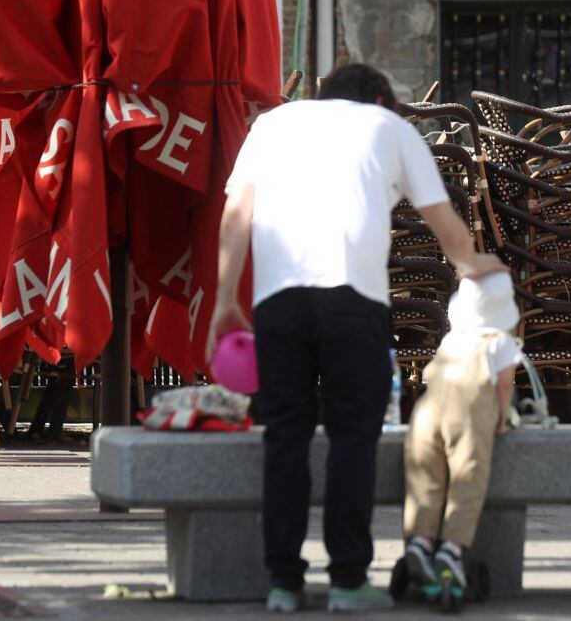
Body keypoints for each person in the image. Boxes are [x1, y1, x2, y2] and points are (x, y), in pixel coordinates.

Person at [207, 63, 506, 614]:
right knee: (352, 437)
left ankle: (283, 584)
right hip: (354, 302)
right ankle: (347, 580)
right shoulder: (389, 126)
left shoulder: (272, 125)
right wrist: (477, 264)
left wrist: (226, 301)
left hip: (279, 302)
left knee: (284, 438)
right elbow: (445, 225)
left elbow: (236, 215)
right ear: (378, 99)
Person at [401, 271, 520, 594]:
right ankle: (451, 550)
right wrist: (501, 419)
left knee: (427, 480)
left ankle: (422, 542)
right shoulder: (501, 341)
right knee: (468, 481)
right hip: (467, 418)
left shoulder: (452, 338)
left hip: (426, 416)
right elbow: (505, 384)